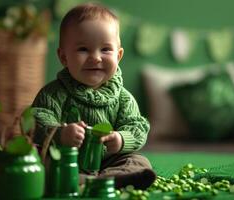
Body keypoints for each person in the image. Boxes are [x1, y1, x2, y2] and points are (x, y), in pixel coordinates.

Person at [31, 3, 156, 189]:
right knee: (36, 156)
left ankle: (107, 179)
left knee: (138, 161)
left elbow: (137, 127)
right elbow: (36, 120)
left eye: (105, 49)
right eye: (83, 49)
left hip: (108, 161)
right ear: (64, 57)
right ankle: (81, 179)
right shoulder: (54, 94)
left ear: (118, 55)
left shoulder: (123, 98)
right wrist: (60, 133)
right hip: (65, 159)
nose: (96, 57)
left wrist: (121, 139)